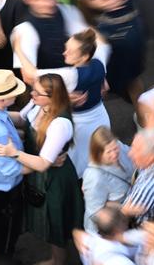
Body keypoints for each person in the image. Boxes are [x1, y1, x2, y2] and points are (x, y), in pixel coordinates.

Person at [0, 73, 83, 265]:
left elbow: (43, 163)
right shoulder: (37, 106)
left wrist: (13, 152)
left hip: (55, 179)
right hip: (41, 172)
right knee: (50, 222)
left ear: (51, 98)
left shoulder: (59, 123)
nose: (31, 94)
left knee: (56, 222)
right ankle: (55, 260)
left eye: (37, 92)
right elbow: (21, 119)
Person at [14, 27, 112, 177]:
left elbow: (29, 75)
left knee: (75, 161)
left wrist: (18, 48)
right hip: (99, 116)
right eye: (66, 48)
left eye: (71, 52)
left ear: (85, 56)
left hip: (80, 123)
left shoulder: (70, 75)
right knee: (95, 158)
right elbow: (103, 43)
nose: (64, 53)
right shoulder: (99, 59)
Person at [62, 0, 154, 102]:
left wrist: (93, 1)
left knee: (104, 74)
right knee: (133, 77)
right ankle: (140, 111)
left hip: (111, 31)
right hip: (134, 29)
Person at [0, 69, 26, 260]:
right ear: (2, 99)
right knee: (5, 238)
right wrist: (44, 164)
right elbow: (11, 169)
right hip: (4, 192)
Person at [82, 126, 134, 234]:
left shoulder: (118, 146)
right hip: (109, 230)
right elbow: (95, 211)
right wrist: (124, 208)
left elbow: (132, 154)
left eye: (115, 148)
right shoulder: (94, 177)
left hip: (126, 217)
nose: (114, 154)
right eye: (109, 152)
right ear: (98, 153)